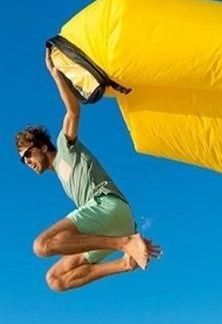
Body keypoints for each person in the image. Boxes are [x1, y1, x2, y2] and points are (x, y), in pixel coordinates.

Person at [15, 48, 161, 292]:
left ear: (43, 146)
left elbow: (73, 111)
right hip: (114, 224)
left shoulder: (65, 147)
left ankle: (125, 243)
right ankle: (126, 263)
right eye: (22, 160)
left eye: (28, 153)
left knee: (43, 245)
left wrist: (56, 74)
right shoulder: (62, 177)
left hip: (108, 206)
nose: (27, 161)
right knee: (56, 279)